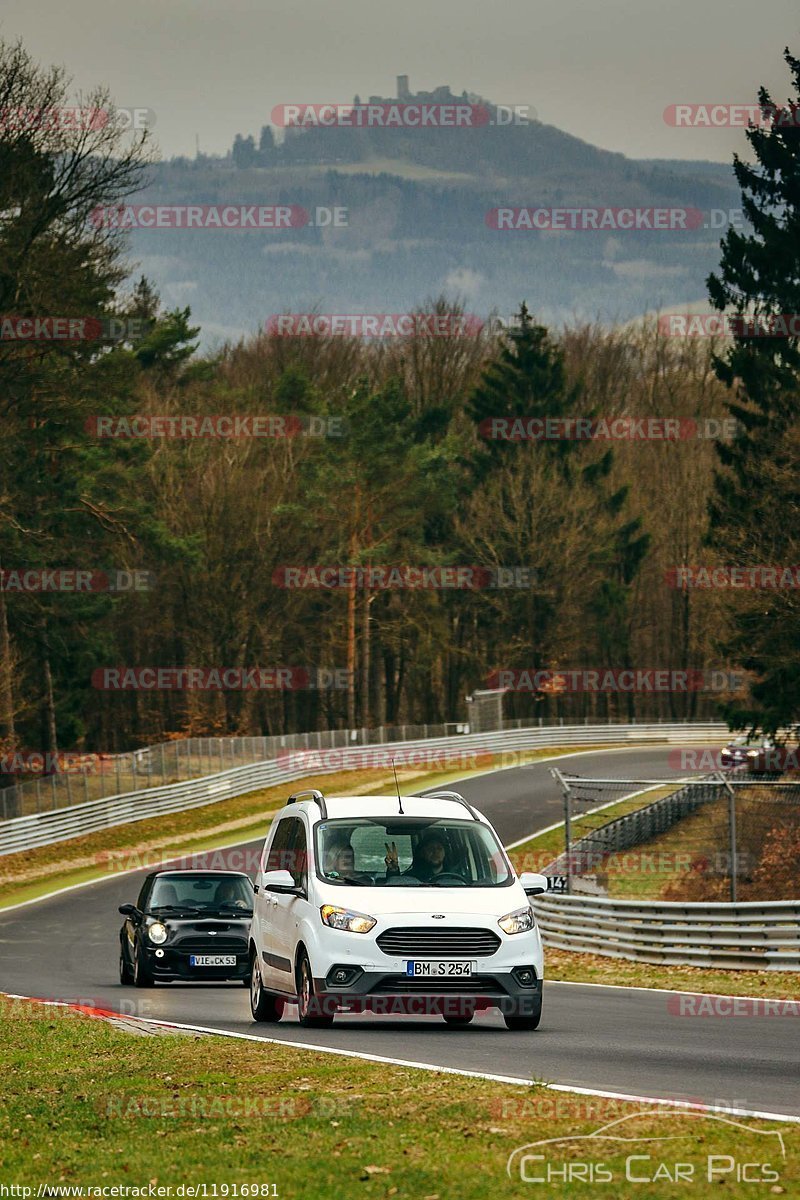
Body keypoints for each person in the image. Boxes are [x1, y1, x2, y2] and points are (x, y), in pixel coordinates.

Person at [385, 831, 453, 881]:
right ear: (422, 852)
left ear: (445, 852)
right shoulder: (411, 877)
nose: (435, 852)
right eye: (430, 849)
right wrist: (393, 870)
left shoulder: (455, 876)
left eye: (439, 848)